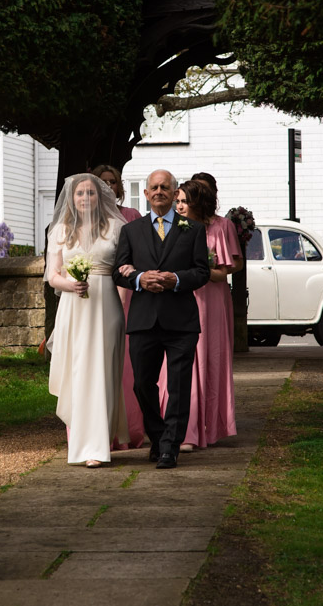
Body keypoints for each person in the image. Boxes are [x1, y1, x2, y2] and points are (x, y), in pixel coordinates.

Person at [111, 169, 211, 469]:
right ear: (145, 194)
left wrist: (175, 279)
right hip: (143, 320)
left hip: (181, 322)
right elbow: (119, 270)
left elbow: (202, 272)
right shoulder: (131, 231)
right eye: (153, 187)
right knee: (142, 384)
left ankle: (170, 447)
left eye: (164, 187)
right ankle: (158, 435)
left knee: (179, 386)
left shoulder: (191, 229)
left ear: (173, 191)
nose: (159, 192)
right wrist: (140, 278)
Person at [45, 173, 129, 468]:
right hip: (73, 306)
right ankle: (80, 444)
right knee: (78, 370)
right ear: (72, 198)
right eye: (79, 193)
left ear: (100, 197)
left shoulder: (118, 228)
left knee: (104, 371)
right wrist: (70, 285)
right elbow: (53, 274)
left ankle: (99, 445)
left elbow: (126, 266)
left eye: (90, 193)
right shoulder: (60, 230)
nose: (84, 198)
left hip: (107, 305)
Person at [164, 177, 242, 451]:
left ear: (198, 202)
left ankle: (206, 427)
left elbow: (226, 270)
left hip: (208, 301)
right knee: (179, 363)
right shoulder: (175, 227)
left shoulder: (220, 228)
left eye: (185, 201)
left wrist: (200, 270)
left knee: (207, 360)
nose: (180, 207)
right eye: (179, 202)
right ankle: (183, 428)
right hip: (180, 298)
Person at [91, 163, 147, 450]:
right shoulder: (85, 220)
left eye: (113, 182)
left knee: (128, 367)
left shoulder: (132, 217)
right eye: (103, 182)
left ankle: (132, 430)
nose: (108, 187)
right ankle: (99, 433)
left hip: (131, 297)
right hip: (96, 299)